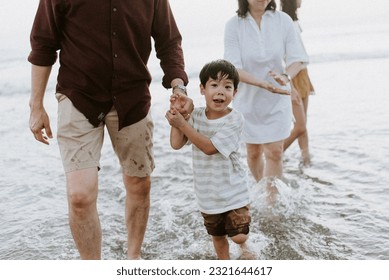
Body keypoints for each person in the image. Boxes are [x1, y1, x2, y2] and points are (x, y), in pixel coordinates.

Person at [28, 0, 192, 260]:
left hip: (132, 96)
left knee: (139, 183)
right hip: (78, 95)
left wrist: (179, 87)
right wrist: (36, 105)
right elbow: (43, 44)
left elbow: (169, 41)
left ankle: (132, 260)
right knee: (80, 196)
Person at [166, 59, 253, 260]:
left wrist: (183, 124)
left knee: (239, 236)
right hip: (208, 193)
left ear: (235, 93)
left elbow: (209, 148)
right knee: (218, 235)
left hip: (234, 190)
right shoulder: (195, 116)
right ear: (202, 89)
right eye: (214, 85)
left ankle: (246, 248)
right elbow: (176, 144)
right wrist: (177, 115)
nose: (220, 91)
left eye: (227, 87)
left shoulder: (235, 119)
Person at [224, 0, 309, 203]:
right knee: (253, 154)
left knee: (274, 152)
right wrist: (262, 84)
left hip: (277, 96)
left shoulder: (283, 21)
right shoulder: (234, 25)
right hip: (247, 100)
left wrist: (286, 77)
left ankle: (271, 202)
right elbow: (233, 68)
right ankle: (264, 189)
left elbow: (298, 58)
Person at [280, 0, 315, 166]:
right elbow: (293, 58)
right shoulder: (286, 23)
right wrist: (289, 84)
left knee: (302, 123)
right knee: (300, 125)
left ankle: (305, 158)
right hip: (293, 74)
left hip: (299, 74)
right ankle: (276, 153)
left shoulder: (291, 21)